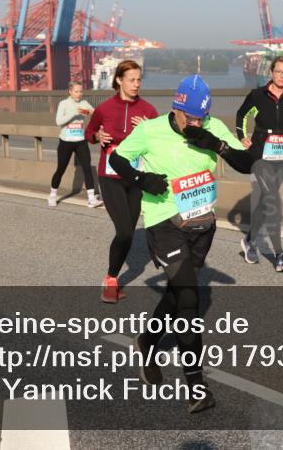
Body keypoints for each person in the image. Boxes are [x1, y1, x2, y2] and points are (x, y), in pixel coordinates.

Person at [108, 74, 254, 414]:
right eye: (191, 117)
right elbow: (117, 159)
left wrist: (214, 142)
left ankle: (147, 341)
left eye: (202, 116)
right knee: (188, 298)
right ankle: (197, 387)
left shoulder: (212, 127)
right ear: (177, 108)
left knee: (176, 293)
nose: (196, 122)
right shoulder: (151, 131)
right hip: (164, 224)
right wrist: (141, 179)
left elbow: (246, 164)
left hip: (202, 224)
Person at [84, 60, 158, 304]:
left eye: (139, 80)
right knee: (125, 230)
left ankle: (111, 278)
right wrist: (97, 135)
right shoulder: (104, 108)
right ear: (119, 81)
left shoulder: (148, 110)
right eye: (131, 80)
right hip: (111, 176)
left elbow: (161, 139)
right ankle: (112, 279)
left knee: (126, 233)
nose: (136, 84)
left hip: (136, 177)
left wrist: (149, 129)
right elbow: (89, 134)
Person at [235, 55, 283, 272]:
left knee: (267, 201)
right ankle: (279, 255)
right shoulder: (257, 95)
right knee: (273, 199)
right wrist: (242, 136)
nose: (282, 76)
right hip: (260, 154)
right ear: (271, 72)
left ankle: (249, 241)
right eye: (278, 72)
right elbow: (241, 115)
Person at [48, 82, 100, 208]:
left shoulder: (84, 103)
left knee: (87, 168)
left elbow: (95, 113)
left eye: (81, 91)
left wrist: (87, 112)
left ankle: (91, 199)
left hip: (80, 141)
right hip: (66, 142)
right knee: (61, 169)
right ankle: (52, 195)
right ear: (70, 92)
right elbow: (59, 122)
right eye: (76, 91)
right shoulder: (63, 104)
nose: (79, 94)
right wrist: (74, 114)